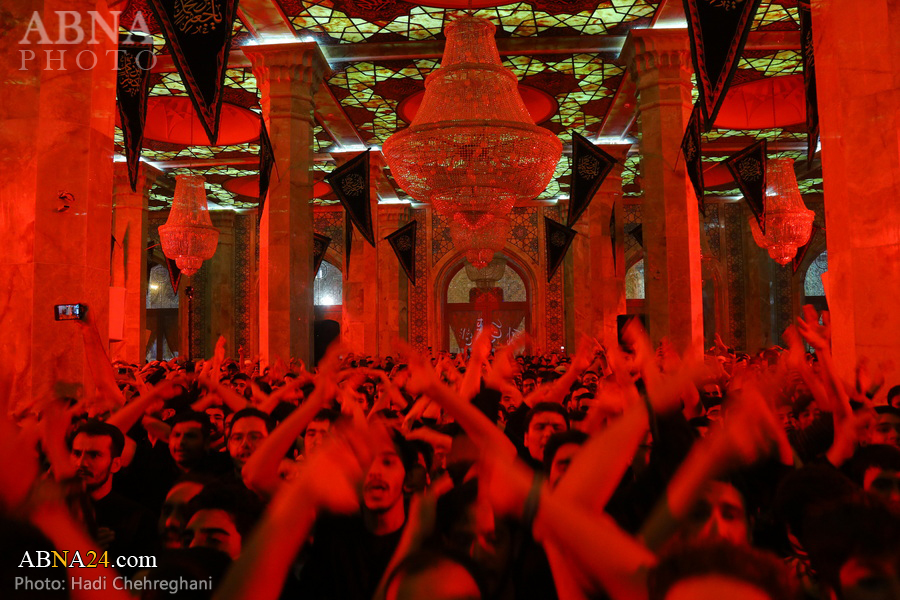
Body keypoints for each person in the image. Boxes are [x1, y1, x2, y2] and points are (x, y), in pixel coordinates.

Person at [68, 420, 157, 562]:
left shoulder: (137, 520)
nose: (81, 463)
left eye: (94, 455)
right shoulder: (50, 511)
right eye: (77, 454)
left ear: (115, 464)